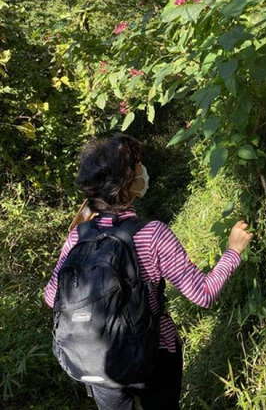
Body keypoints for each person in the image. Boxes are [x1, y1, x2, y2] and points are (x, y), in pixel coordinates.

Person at [44, 133, 253, 410]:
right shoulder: (152, 234)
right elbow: (203, 295)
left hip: (98, 361)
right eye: (138, 166)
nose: (143, 171)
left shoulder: (77, 237)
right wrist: (233, 251)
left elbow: (51, 298)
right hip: (154, 353)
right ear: (128, 180)